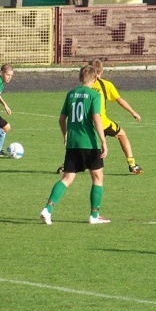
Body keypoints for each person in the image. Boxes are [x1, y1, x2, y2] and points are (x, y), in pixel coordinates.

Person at [40, 65, 110, 225]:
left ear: (80, 78)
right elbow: (97, 119)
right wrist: (104, 141)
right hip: (89, 143)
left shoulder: (70, 94)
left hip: (73, 143)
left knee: (67, 177)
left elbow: (61, 119)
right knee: (98, 177)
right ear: (95, 78)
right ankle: (94, 215)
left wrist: (65, 135)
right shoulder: (95, 95)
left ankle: (48, 209)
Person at [56, 58, 143, 175]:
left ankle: (65, 165)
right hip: (102, 122)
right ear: (101, 72)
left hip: (84, 122)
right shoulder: (106, 84)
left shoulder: (82, 87)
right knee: (122, 134)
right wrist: (133, 112)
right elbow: (119, 100)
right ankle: (132, 164)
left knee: (81, 141)